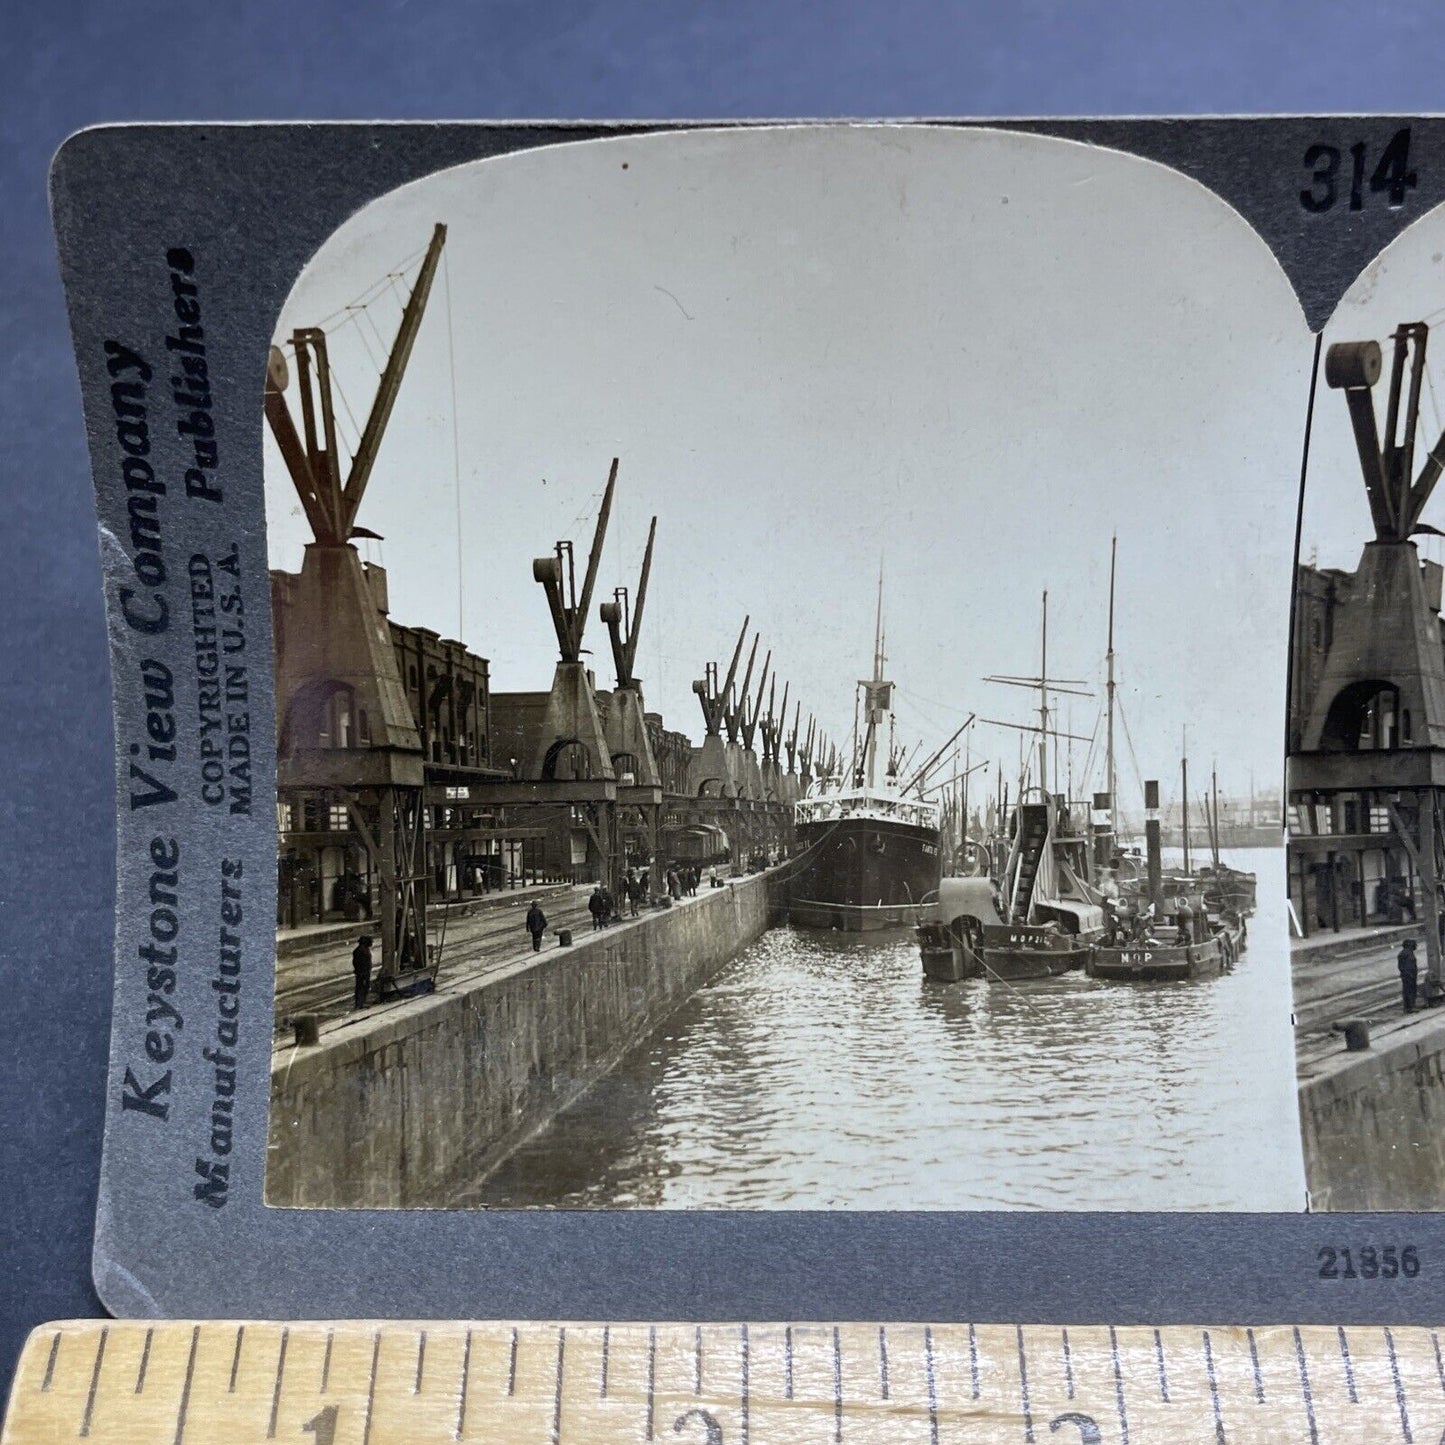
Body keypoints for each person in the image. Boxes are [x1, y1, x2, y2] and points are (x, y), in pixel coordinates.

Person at [351, 935, 373, 1011]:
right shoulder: (362, 951)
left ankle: (360, 1003)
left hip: (362, 971)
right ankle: (360, 1003)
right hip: (363, 972)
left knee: (361, 987)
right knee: (362, 987)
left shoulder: (360, 950)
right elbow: (359, 962)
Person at [1399, 938, 1420, 1014]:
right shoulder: (1408, 954)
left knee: (1406, 991)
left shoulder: (1404, 953)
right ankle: (1410, 1007)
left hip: (1406, 975)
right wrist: (1411, 975)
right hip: (1409, 975)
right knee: (1410, 991)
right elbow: (1409, 966)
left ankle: (1408, 1007)